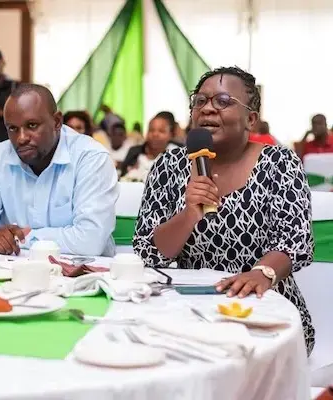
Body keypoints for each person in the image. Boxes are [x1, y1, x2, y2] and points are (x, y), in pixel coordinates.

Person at [134, 66, 315, 356]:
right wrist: (189, 214)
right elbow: (150, 252)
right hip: (193, 308)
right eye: (200, 101)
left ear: (251, 119)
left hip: (263, 306)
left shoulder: (280, 162)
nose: (207, 109)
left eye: (223, 101)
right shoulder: (168, 165)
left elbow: (295, 242)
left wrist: (261, 274)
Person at [0, 84, 118, 256]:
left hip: (82, 270)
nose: (21, 138)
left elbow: (90, 240)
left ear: (57, 122)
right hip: (12, 270)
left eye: (32, 125)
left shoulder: (90, 158)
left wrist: (21, 238)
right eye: (12, 128)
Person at [120, 113, 181, 181]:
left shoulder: (177, 154)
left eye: (161, 131)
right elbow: (122, 177)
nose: (155, 134)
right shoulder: (134, 152)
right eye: (151, 130)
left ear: (171, 135)